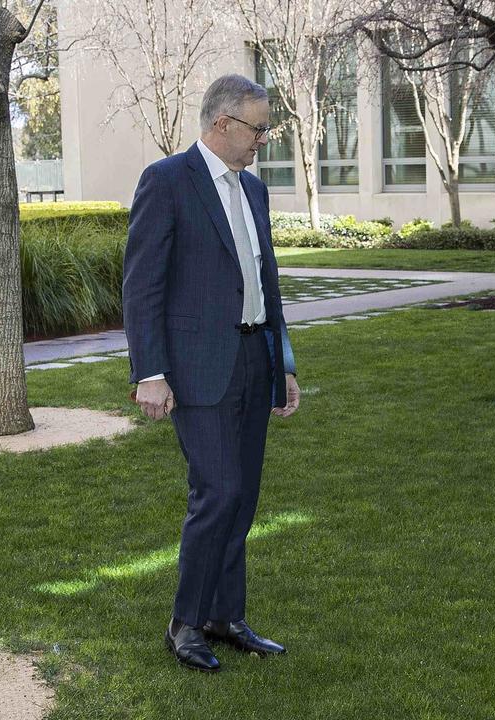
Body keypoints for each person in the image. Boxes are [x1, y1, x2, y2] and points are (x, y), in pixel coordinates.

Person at [123, 73, 300, 673]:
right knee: (217, 492)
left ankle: (226, 616)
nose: (262, 142)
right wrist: (150, 372)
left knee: (243, 497)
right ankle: (186, 622)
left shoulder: (254, 192)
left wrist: (285, 362)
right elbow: (142, 286)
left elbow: (266, 282)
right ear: (222, 124)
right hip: (197, 370)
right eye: (258, 129)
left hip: (254, 359)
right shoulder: (167, 181)